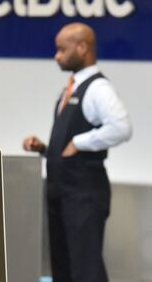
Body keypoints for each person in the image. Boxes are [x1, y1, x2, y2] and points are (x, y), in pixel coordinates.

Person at [22, 22, 131, 282]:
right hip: (61, 191)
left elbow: (122, 128)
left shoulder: (98, 89)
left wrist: (80, 142)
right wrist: (46, 149)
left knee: (85, 269)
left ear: (82, 48)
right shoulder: (69, 88)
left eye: (61, 49)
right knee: (64, 267)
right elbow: (67, 142)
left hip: (84, 193)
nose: (56, 56)